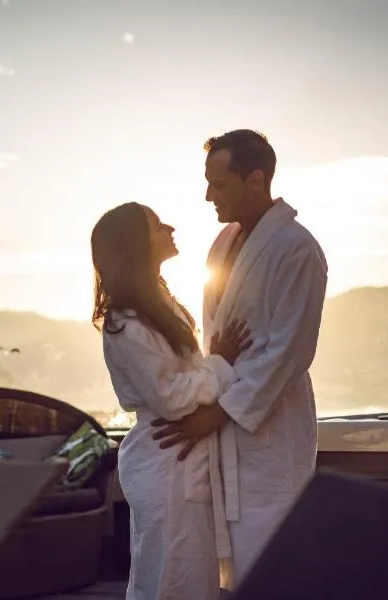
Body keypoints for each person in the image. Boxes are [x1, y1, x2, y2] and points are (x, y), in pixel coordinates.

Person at [152, 129, 329, 589]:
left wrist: (221, 411)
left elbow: (289, 349)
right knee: (234, 573)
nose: (208, 195)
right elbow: (217, 339)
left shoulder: (297, 248)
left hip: (270, 429)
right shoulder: (223, 244)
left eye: (220, 184)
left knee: (277, 562)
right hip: (226, 431)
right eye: (207, 182)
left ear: (255, 180)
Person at [91, 201, 252, 600]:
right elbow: (173, 397)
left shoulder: (156, 305)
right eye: (158, 225)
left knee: (187, 572)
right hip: (167, 457)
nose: (171, 228)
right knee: (169, 575)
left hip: (180, 457)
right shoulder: (125, 323)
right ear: (135, 244)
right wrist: (221, 363)